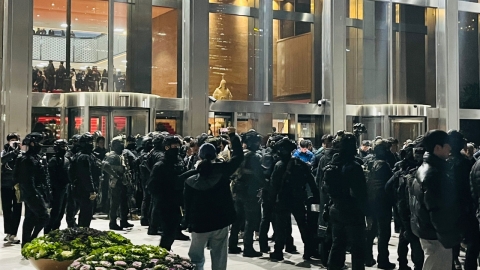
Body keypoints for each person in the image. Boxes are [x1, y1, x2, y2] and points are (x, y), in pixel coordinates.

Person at [185, 127, 244, 270]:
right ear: (215, 154)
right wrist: (232, 136)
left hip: (199, 223)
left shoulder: (190, 179)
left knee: (196, 257)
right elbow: (238, 157)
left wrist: (187, 221)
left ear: (199, 156)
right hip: (221, 221)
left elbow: (186, 203)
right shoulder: (223, 171)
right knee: (219, 256)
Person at [409, 130, 461, 270]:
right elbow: (437, 210)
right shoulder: (434, 174)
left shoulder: (425, 168)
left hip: (427, 230)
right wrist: (447, 237)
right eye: (447, 145)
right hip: (436, 235)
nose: (450, 148)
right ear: (437, 148)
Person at [322, 131, 367, 270]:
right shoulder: (355, 167)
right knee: (357, 248)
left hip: (335, 208)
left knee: (338, 244)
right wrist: (367, 213)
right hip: (353, 211)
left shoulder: (332, 164)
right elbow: (360, 193)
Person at [269, 138, 319, 261]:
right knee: (303, 225)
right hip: (298, 198)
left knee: (280, 227)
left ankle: (278, 251)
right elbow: (312, 182)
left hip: (283, 199)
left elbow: (273, 186)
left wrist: (271, 201)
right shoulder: (300, 164)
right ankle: (308, 251)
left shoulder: (279, 165)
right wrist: (315, 197)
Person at [385, 142, 424, 270]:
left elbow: (387, 187)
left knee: (404, 236)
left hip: (400, 208)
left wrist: (395, 201)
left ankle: (402, 263)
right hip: (412, 208)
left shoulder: (399, 169)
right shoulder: (418, 170)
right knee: (414, 238)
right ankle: (417, 265)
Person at [147, 136, 187, 250]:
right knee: (168, 231)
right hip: (165, 203)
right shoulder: (160, 165)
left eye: (178, 146)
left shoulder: (179, 162)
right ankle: (163, 253)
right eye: (174, 146)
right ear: (167, 147)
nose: (177, 149)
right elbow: (152, 186)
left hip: (177, 201)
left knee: (173, 229)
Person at [228, 130, 264, 257]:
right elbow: (259, 174)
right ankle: (248, 247)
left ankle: (232, 244)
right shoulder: (254, 156)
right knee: (250, 219)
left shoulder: (239, 154)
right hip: (249, 191)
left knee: (237, 219)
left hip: (237, 190)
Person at [448, 130, 478, 270]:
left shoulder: (444, 162)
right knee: (472, 241)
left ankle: (455, 261)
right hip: (465, 207)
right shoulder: (467, 162)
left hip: (450, 207)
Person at [14, 133, 50, 247]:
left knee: (31, 218)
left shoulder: (37, 158)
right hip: (32, 193)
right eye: (39, 142)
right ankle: (31, 239)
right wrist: (34, 194)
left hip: (37, 191)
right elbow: (27, 180)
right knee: (44, 216)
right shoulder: (26, 159)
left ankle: (27, 242)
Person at [364, 139, 395, 269]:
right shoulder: (384, 165)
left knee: (371, 231)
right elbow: (389, 185)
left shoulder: (369, 162)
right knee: (383, 232)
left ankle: (367, 257)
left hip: (370, 200)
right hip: (382, 202)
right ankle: (383, 260)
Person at [103, 136, 134, 230]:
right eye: (120, 143)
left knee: (124, 202)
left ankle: (123, 220)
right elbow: (105, 166)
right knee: (115, 203)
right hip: (116, 182)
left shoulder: (120, 155)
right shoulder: (112, 155)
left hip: (123, 181)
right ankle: (113, 222)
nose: (122, 145)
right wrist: (116, 175)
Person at [70, 133, 98, 228]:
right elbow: (86, 175)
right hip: (83, 189)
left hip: (81, 188)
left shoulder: (84, 155)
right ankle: (83, 234)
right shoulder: (84, 157)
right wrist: (91, 190)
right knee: (86, 214)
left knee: (85, 212)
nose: (91, 144)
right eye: (89, 142)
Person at [44, 139, 70, 234]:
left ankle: (55, 230)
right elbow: (50, 177)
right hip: (56, 190)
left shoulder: (66, 160)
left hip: (64, 189)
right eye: (62, 146)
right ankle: (48, 231)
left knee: (61, 212)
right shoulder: (53, 161)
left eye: (65, 146)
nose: (65, 148)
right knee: (55, 212)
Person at [1, 133, 22, 244]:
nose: (13, 142)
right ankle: (9, 232)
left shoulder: (21, 153)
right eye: (11, 140)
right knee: (7, 209)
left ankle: (13, 233)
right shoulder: (5, 151)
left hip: (18, 186)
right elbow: (2, 160)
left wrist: (18, 151)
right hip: (5, 185)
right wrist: (12, 152)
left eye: (16, 140)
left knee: (17, 209)